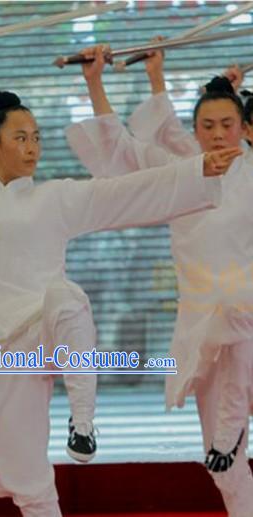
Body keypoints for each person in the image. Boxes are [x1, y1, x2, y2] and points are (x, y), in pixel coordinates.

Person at [0, 46, 237, 517]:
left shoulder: (56, 197)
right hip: (1, 348)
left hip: (49, 330)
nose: (33, 146)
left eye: (36, 137)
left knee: (66, 298)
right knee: (27, 479)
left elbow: (125, 192)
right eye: (20, 137)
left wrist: (199, 169)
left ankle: (83, 422)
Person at [66, 45, 253, 517]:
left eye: (226, 124)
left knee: (230, 425)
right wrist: (97, 82)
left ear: (244, 126)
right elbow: (125, 152)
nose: (216, 135)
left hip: (246, 319)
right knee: (220, 461)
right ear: (193, 132)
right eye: (206, 127)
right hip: (200, 327)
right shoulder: (182, 173)